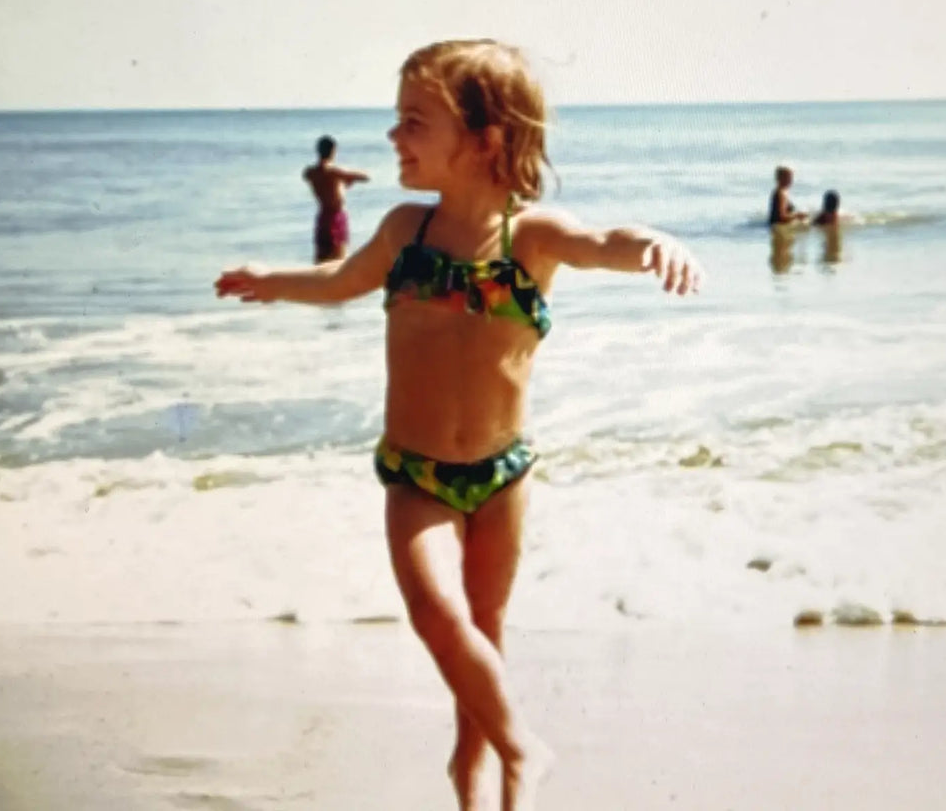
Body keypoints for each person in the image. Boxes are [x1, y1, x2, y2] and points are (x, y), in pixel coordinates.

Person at [215, 39, 702, 811]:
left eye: (413, 121)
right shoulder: (405, 231)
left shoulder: (531, 237)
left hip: (502, 476)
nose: (392, 137)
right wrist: (272, 281)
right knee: (439, 617)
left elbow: (606, 243)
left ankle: (478, 784)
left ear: (485, 140)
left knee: (485, 626)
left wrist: (656, 246)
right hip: (417, 475)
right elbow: (341, 280)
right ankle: (522, 746)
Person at [304, 134, 370, 263]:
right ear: (333, 151)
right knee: (338, 259)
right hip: (335, 216)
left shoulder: (311, 172)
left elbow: (325, 184)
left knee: (321, 257)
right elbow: (365, 177)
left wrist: (343, 183)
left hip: (323, 216)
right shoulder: (334, 171)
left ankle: (316, 281)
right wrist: (347, 176)